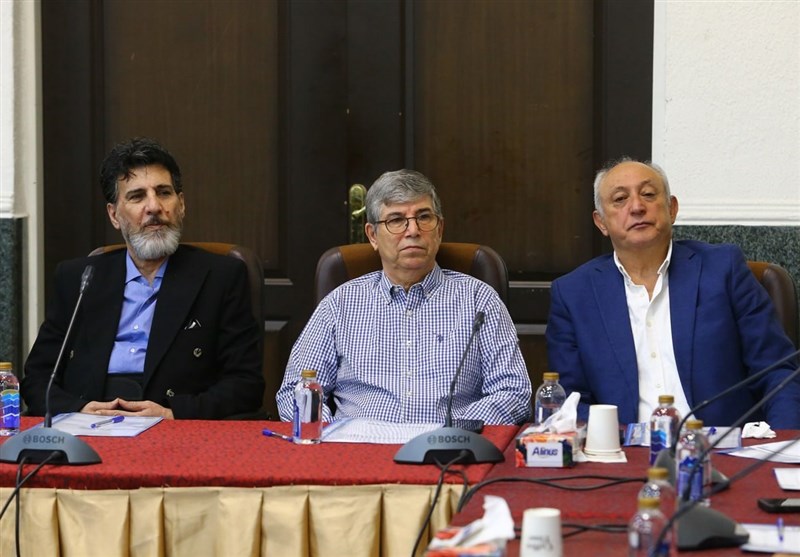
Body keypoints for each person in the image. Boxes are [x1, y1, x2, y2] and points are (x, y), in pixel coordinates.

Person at [546, 157, 800, 428]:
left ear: (672, 209)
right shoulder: (575, 294)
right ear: (601, 222)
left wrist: (784, 445)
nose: (637, 207)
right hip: (623, 447)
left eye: (648, 194)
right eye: (620, 199)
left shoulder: (722, 269)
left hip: (724, 446)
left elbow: (778, 373)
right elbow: (570, 401)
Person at [22, 137, 265, 420]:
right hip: (90, 423)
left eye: (164, 193)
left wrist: (173, 413)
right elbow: (38, 378)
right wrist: (79, 410)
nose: (154, 207)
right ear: (114, 215)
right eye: (137, 196)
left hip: (175, 426)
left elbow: (246, 384)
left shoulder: (221, 277)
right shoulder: (78, 278)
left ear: (181, 205)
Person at [276, 169, 531, 425]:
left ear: (440, 229)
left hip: (449, 444)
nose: (413, 230)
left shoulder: (479, 300)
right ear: (373, 235)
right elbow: (295, 391)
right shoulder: (340, 304)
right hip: (358, 444)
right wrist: (332, 433)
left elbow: (513, 393)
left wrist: (453, 431)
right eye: (396, 220)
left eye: (424, 217)